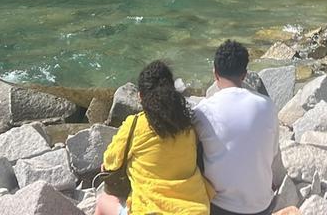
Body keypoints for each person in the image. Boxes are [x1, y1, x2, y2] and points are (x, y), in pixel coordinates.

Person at [97, 61, 211, 215]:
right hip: (196, 209)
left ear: (140, 96)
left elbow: (110, 163)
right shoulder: (188, 126)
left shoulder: (136, 124)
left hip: (150, 210)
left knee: (103, 201)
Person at [193, 40, 279, 215]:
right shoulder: (267, 105)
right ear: (244, 75)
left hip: (220, 206)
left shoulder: (203, 112)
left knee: (194, 144)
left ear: (215, 73)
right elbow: (273, 153)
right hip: (262, 206)